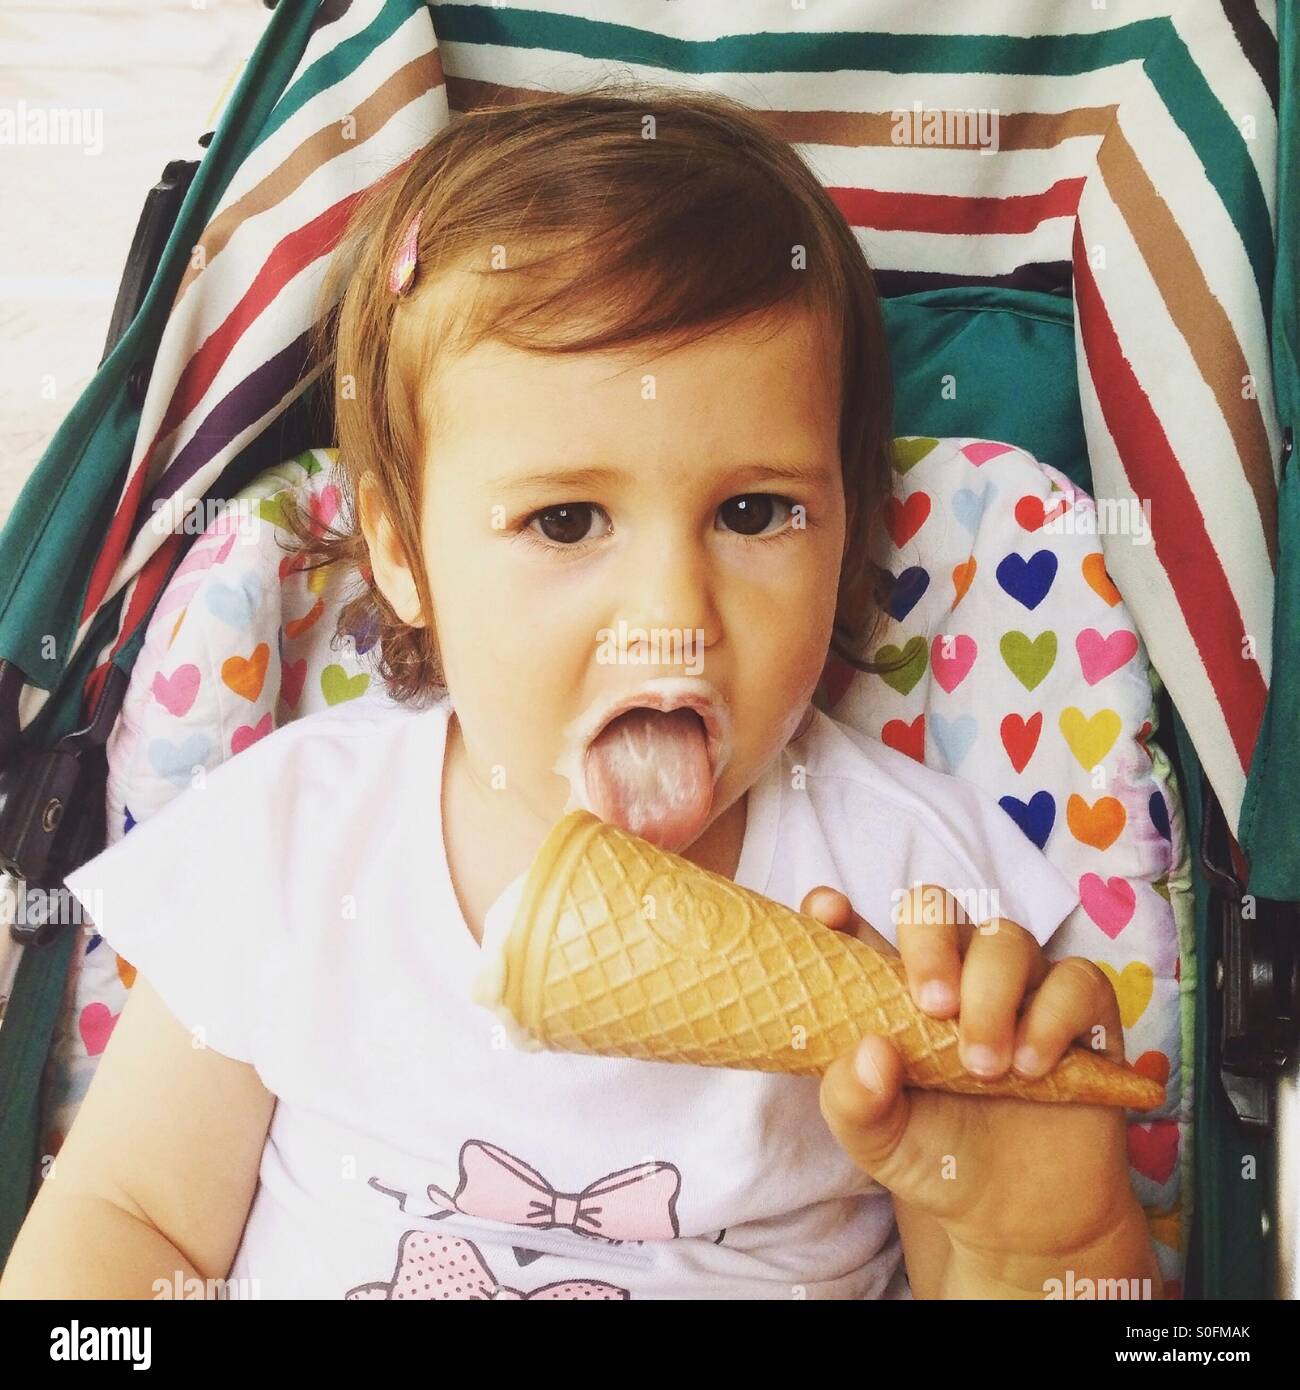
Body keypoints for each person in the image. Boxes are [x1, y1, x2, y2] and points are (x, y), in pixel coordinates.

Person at [0, 84, 1159, 1300]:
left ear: (851, 527)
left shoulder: (927, 900)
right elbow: (128, 1220)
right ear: (402, 553)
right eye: (565, 519)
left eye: (754, 512)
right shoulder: (293, 839)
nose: (672, 612)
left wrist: (1051, 1245)